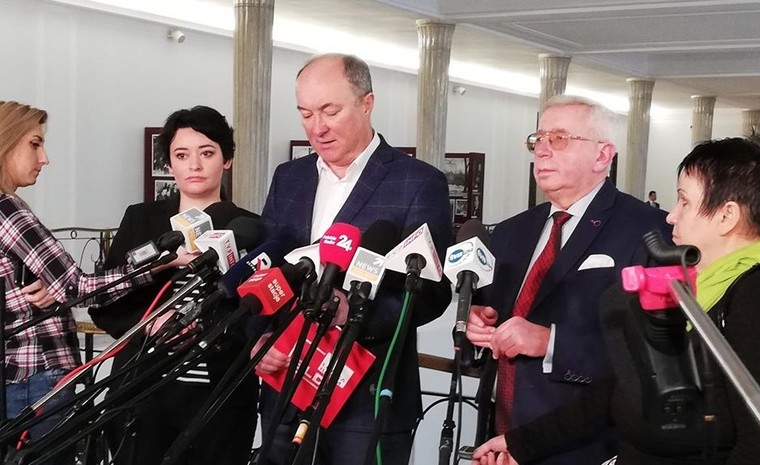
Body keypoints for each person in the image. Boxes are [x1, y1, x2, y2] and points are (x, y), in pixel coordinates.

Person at [471, 137, 760, 465]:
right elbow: (621, 386)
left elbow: (758, 443)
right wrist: (523, 444)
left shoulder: (755, 294)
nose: (671, 216)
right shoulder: (698, 284)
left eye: (684, 202)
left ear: (727, 216)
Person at [253, 53, 453, 465]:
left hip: (367, 395)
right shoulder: (289, 178)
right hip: (286, 384)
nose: (317, 127)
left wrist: (354, 313)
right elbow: (267, 267)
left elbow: (430, 293)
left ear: (367, 103)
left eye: (330, 111)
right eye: (305, 114)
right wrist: (261, 338)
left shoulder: (417, 182)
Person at [466, 95, 671, 465]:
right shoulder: (511, 232)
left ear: (603, 156)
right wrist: (479, 326)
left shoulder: (648, 231)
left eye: (559, 138)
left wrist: (551, 343)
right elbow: (494, 319)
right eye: (538, 139)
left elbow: (652, 358)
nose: (542, 150)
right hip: (498, 439)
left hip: (584, 446)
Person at [0, 100, 180, 464]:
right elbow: (78, 288)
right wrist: (161, 263)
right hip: (38, 377)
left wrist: (44, 292)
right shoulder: (9, 211)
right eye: (34, 144)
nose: (44, 158)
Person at [88, 106, 260, 465]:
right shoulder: (141, 218)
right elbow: (106, 303)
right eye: (182, 155)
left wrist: (209, 329)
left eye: (207, 153)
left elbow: (258, 314)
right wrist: (151, 324)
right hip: (142, 393)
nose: (194, 165)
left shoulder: (251, 227)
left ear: (227, 159)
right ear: (169, 164)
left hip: (219, 396)